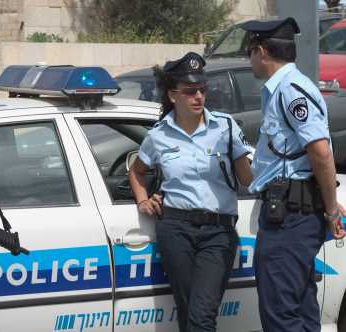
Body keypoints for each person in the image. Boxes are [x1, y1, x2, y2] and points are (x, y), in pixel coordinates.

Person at [128, 52, 253, 332]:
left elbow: (247, 178)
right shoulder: (158, 135)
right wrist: (143, 200)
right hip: (176, 230)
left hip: (218, 233)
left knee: (201, 315)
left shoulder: (225, 126)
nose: (199, 97)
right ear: (173, 96)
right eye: (190, 91)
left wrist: (241, 151)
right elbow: (136, 172)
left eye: (202, 90)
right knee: (188, 314)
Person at [242, 17, 346, 332]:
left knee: (281, 312)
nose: (249, 60)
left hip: (289, 218)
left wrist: (331, 207)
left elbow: (320, 152)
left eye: (249, 53)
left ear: (260, 51)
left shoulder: (290, 90)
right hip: (290, 212)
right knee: (299, 307)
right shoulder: (283, 89)